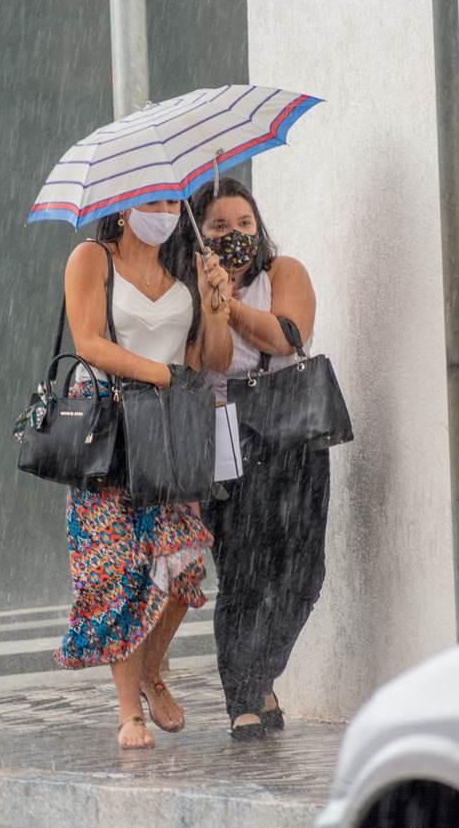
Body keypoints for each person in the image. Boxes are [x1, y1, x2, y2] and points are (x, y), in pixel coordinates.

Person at [56, 199, 232, 749]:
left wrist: (216, 305)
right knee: (119, 571)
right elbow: (88, 341)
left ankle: (153, 668)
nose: (161, 211)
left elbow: (212, 361)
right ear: (124, 209)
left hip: (171, 429)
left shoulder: (183, 273)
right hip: (112, 431)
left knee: (183, 564)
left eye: (167, 202)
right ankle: (128, 711)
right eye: (148, 202)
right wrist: (163, 376)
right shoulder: (91, 258)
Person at [192, 178, 331, 740]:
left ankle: (261, 675)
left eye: (244, 224)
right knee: (244, 571)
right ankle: (243, 699)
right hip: (228, 433)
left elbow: (289, 336)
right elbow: (213, 360)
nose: (235, 236)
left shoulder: (285, 273)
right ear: (198, 234)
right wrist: (213, 304)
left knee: (302, 573)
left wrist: (238, 307)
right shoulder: (191, 286)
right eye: (220, 227)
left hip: (294, 431)